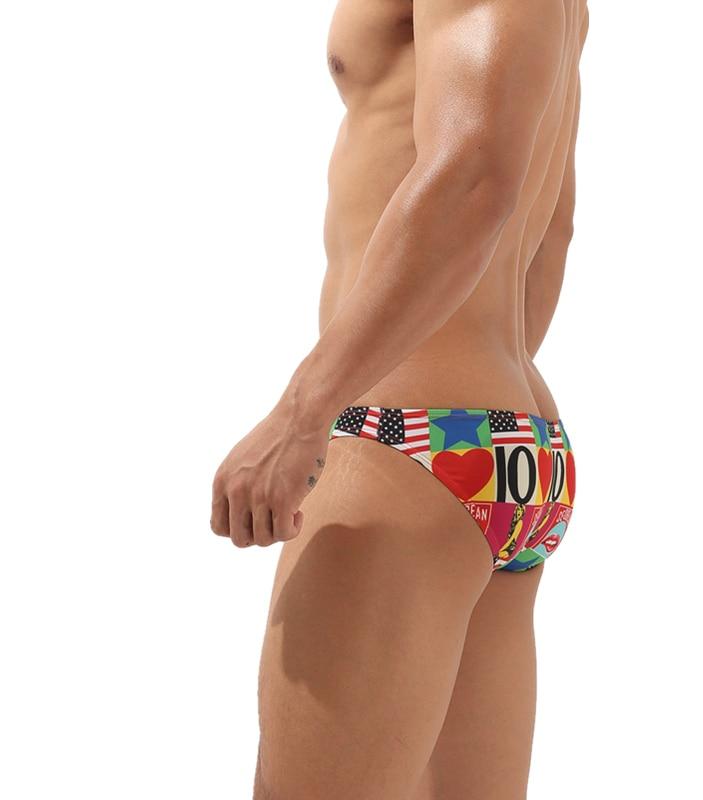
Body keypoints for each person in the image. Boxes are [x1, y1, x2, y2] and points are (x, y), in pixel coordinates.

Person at [211, 0, 588, 796]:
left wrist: (304, 411)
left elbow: (473, 178)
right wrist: (486, 385)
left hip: (404, 437)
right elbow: (551, 226)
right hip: (513, 448)